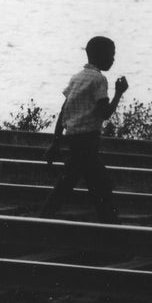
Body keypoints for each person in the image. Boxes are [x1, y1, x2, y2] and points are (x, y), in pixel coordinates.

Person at [37, 36, 129, 223]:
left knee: (86, 182)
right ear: (101, 56)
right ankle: (110, 226)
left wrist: (55, 142)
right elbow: (105, 113)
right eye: (111, 55)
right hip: (88, 141)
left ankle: (108, 223)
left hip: (74, 139)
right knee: (94, 183)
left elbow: (64, 110)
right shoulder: (99, 80)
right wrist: (119, 93)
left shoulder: (77, 78)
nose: (113, 59)